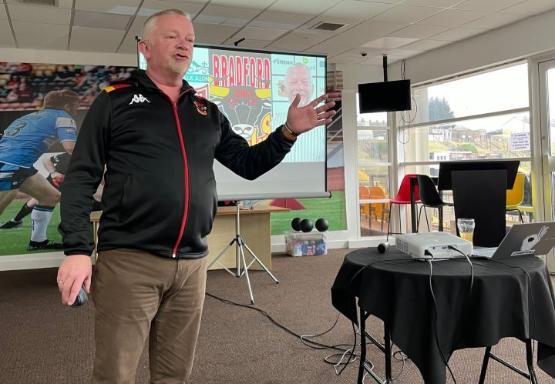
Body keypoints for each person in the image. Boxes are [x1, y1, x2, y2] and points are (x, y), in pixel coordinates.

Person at [56, 9, 337, 384]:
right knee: (115, 375)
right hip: (130, 261)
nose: (184, 44)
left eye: (189, 38)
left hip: (192, 264)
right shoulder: (114, 102)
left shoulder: (206, 111)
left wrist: (287, 132)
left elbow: (248, 163)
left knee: (175, 374)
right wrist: (76, 250)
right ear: (145, 48)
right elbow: (80, 177)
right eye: (172, 36)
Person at [0, 89, 78, 249]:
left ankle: (38, 242)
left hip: (17, 163)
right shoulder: (63, 117)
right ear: (66, 105)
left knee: (50, 196)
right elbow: (71, 147)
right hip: (13, 165)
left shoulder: (30, 116)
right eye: (74, 104)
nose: (76, 108)